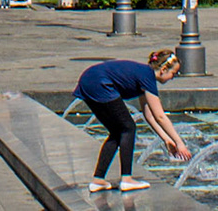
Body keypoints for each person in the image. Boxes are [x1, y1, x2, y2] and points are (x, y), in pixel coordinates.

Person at [76, 51, 191, 193]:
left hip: (89, 80)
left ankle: (98, 180)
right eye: (174, 73)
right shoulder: (147, 77)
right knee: (128, 128)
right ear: (163, 70)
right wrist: (179, 143)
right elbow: (160, 116)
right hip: (99, 83)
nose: (173, 77)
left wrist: (166, 139)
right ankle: (127, 179)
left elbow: (149, 116)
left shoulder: (144, 75)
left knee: (117, 132)